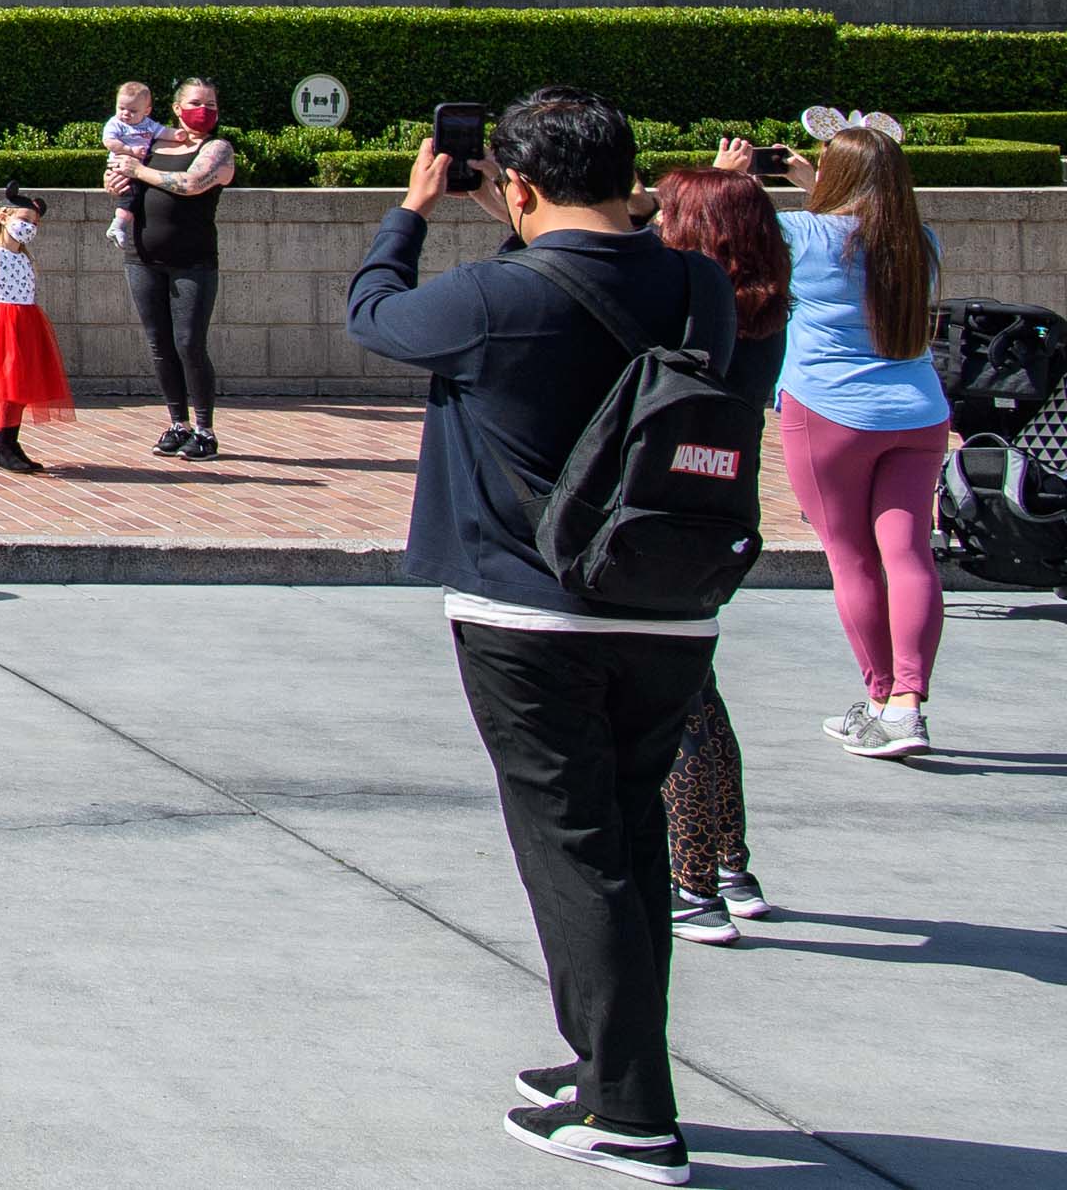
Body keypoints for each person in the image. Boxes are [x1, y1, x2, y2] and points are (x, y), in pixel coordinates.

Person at [351, 87, 736, 1188]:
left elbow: (373, 313)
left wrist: (412, 211)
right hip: (668, 604)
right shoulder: (698, 286)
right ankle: (610, 1065)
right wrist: (520, 223)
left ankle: (632, 1115)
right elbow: (596, 287)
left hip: (530, 614)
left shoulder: (489, 298)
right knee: (627, 839)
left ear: (516, 186)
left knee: (575, 852)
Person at [740, 124, 952, 761]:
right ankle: (907, 706)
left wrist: (740, 177)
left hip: (830, 414)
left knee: (851, 557)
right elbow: (864, 226)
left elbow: (744, 228)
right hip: (919, 413)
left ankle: (880, 697)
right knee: (909, 555)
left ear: (837, 179)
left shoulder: (801, 234)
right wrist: (823, 181)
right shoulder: (921, 243)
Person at [644, 162, 795, 945]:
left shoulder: (691, 312)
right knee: (699, 688)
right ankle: (732, 865)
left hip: (664, 513)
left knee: (679, 702)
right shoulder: (764, 308)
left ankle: (694, 883)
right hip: (723, 510)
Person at [109, 73, 236, 460]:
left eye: (211, 105)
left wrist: (137, 171)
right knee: (160, 344)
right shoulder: (151, 143)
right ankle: (178, 422)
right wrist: (115, 180)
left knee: (189, 343)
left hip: (193, 261)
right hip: (143, 258)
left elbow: (191, 183)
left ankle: (204, 430)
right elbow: (121, 173)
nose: (204, 111)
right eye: (196, 103)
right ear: (177, 108)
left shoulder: (218, 149)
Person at [0, 186, 74, 473]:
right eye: (24, 220)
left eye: (34, 223)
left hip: (26, 323)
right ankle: (3, 445)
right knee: (8, 386)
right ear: (4, 217)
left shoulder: (25, 258)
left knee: (21, 385)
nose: (29, 227)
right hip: (2, 326)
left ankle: (10, 443)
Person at [101, 79, 163, 251]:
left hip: (138, 169)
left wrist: (177, 135)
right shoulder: (116, 123)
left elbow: (163, 131)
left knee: (137, 194)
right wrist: (130, 150)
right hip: (121, 167)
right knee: (131, 194)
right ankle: (118, 225)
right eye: (121, 108)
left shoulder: (148, 125)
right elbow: (109, 142)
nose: (126, 114)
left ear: (146, 111)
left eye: (133, 111)